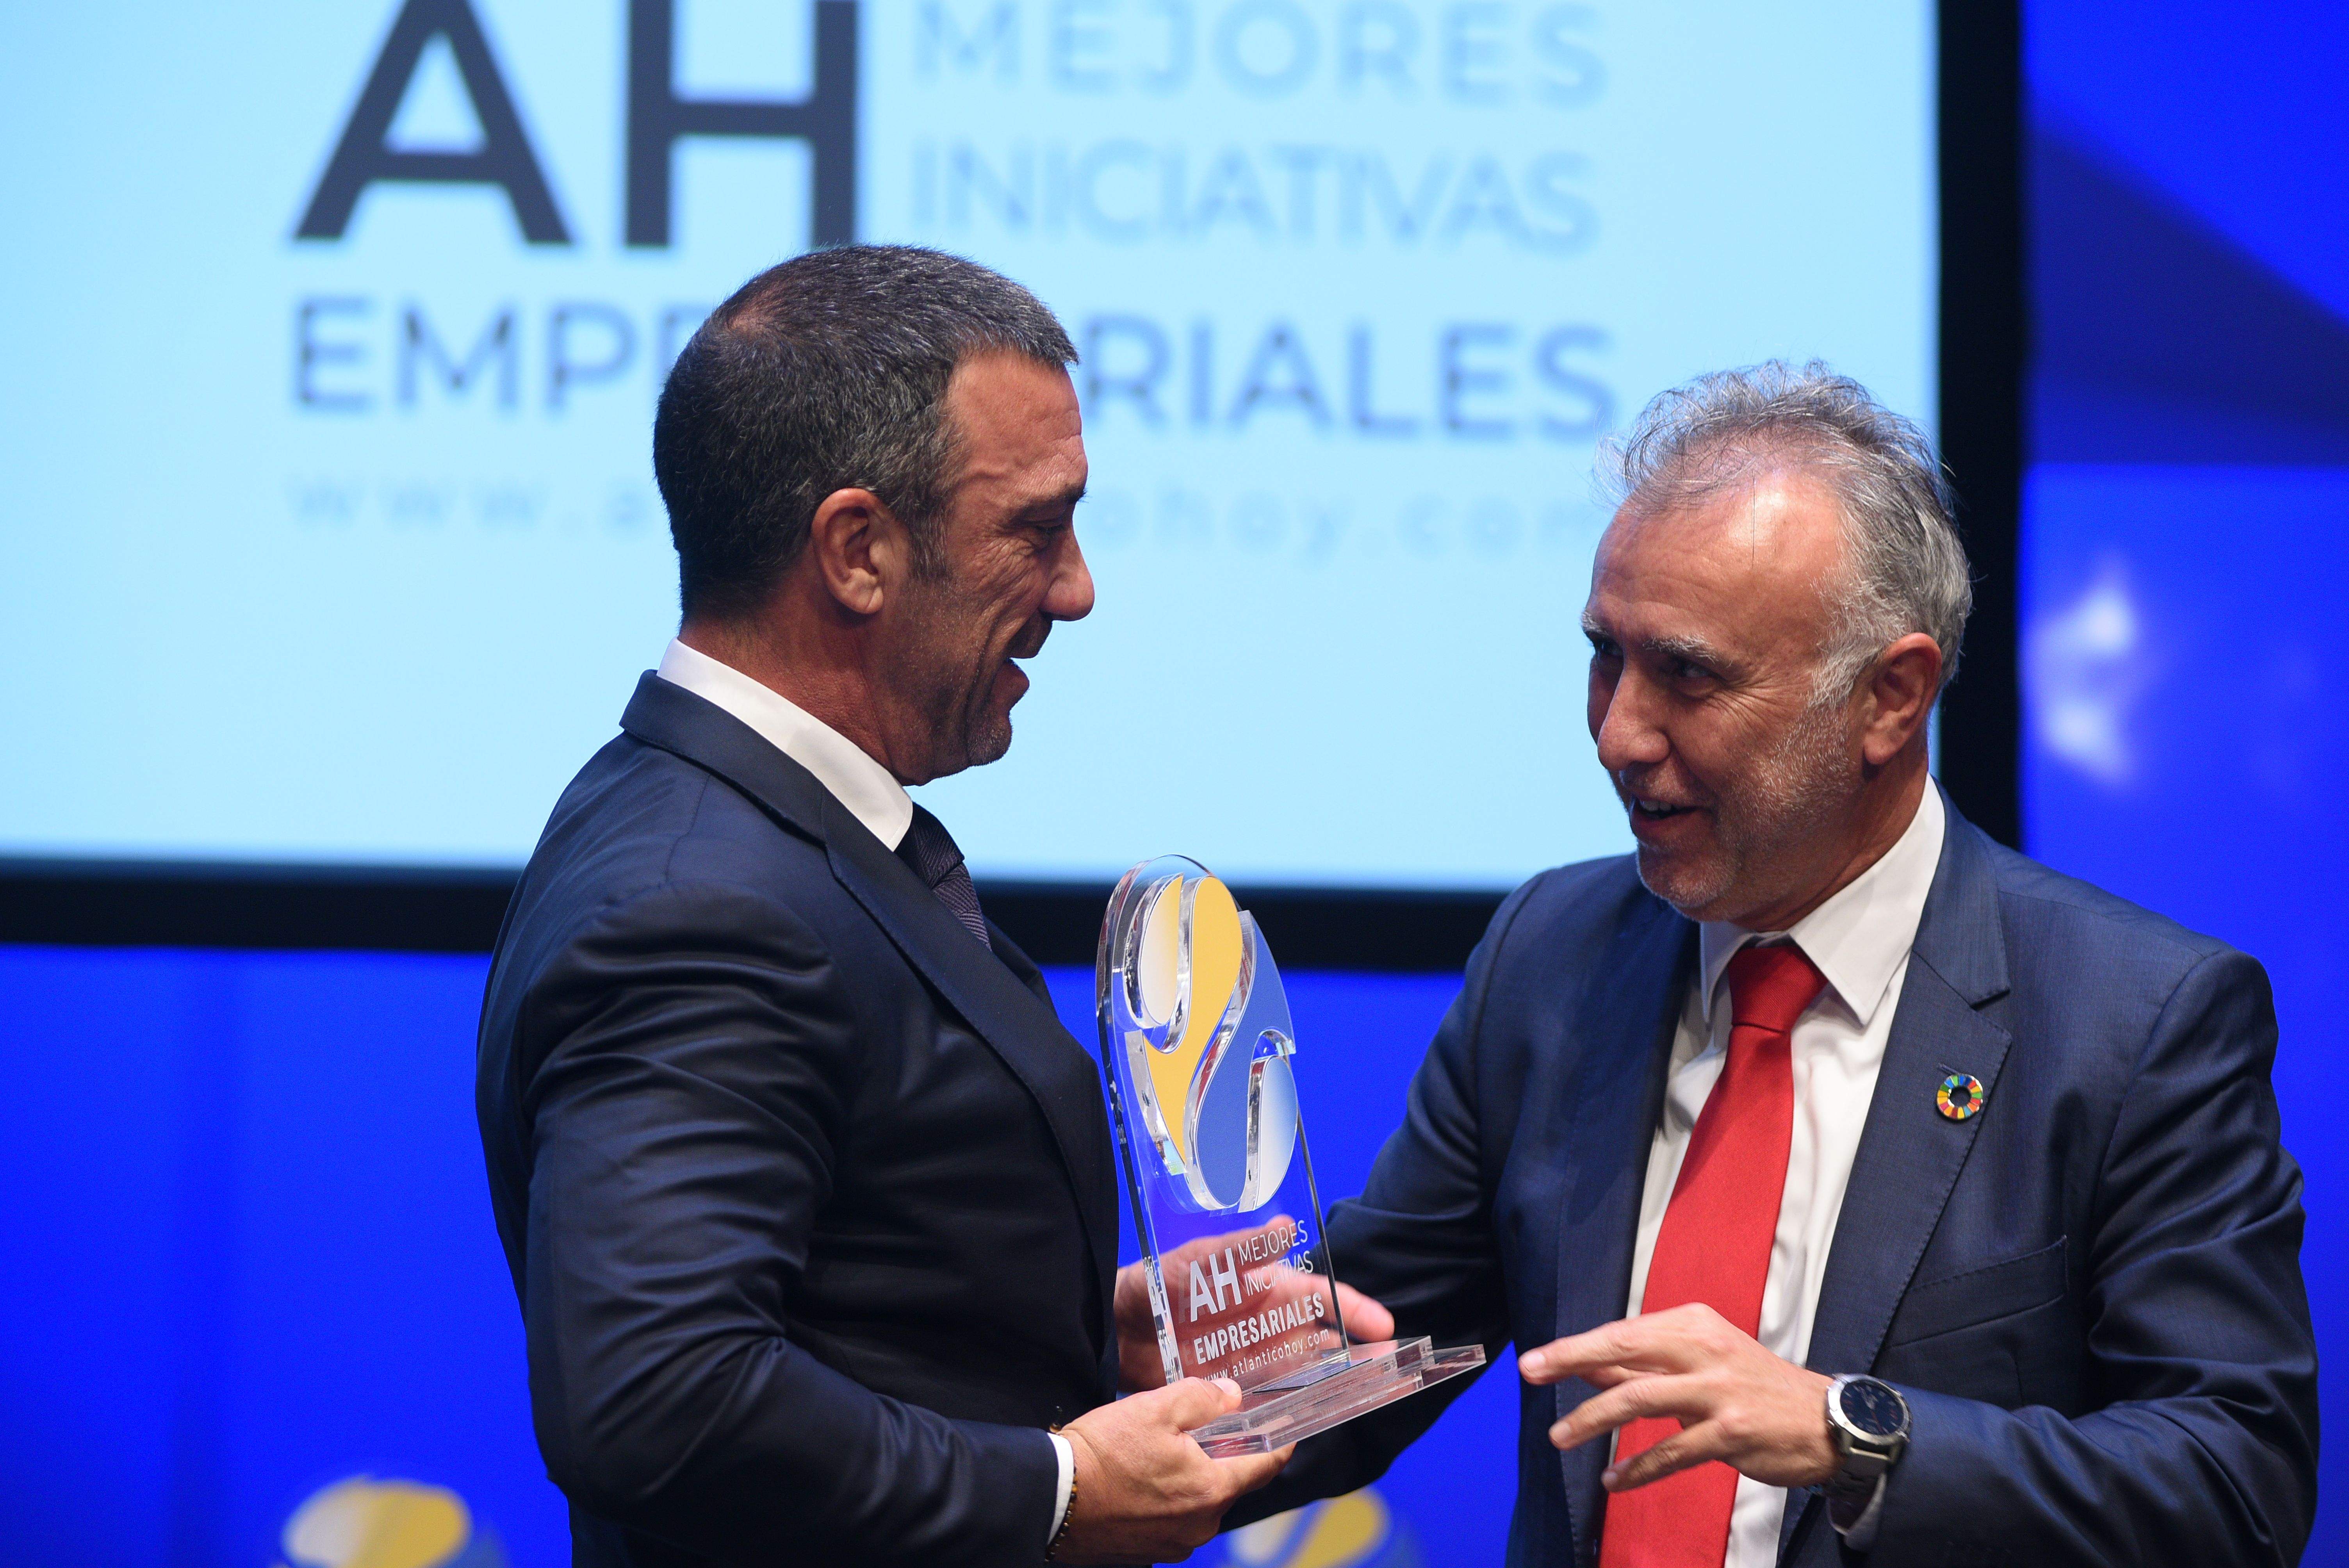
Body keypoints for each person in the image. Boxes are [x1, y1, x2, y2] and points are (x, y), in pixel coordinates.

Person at [1233, 362, 2318, 1565]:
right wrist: (1181, 1385)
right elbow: (1372, 1358)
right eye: (1606, 656)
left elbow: (2235, 1482)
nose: (1617, 734)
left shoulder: (2133, 1021)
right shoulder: (1550, 959)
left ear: (1890, 698)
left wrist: (1855, 1435)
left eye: (1688, 675)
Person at [477, 245, 1295, 1568]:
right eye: (1036, 528)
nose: (1077, 589)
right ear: (858, 550)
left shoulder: (741, 826)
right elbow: (655, 1401)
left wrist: (1079, 1343)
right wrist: (1058, 1487)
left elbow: (855, 1293)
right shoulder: (700, 904)